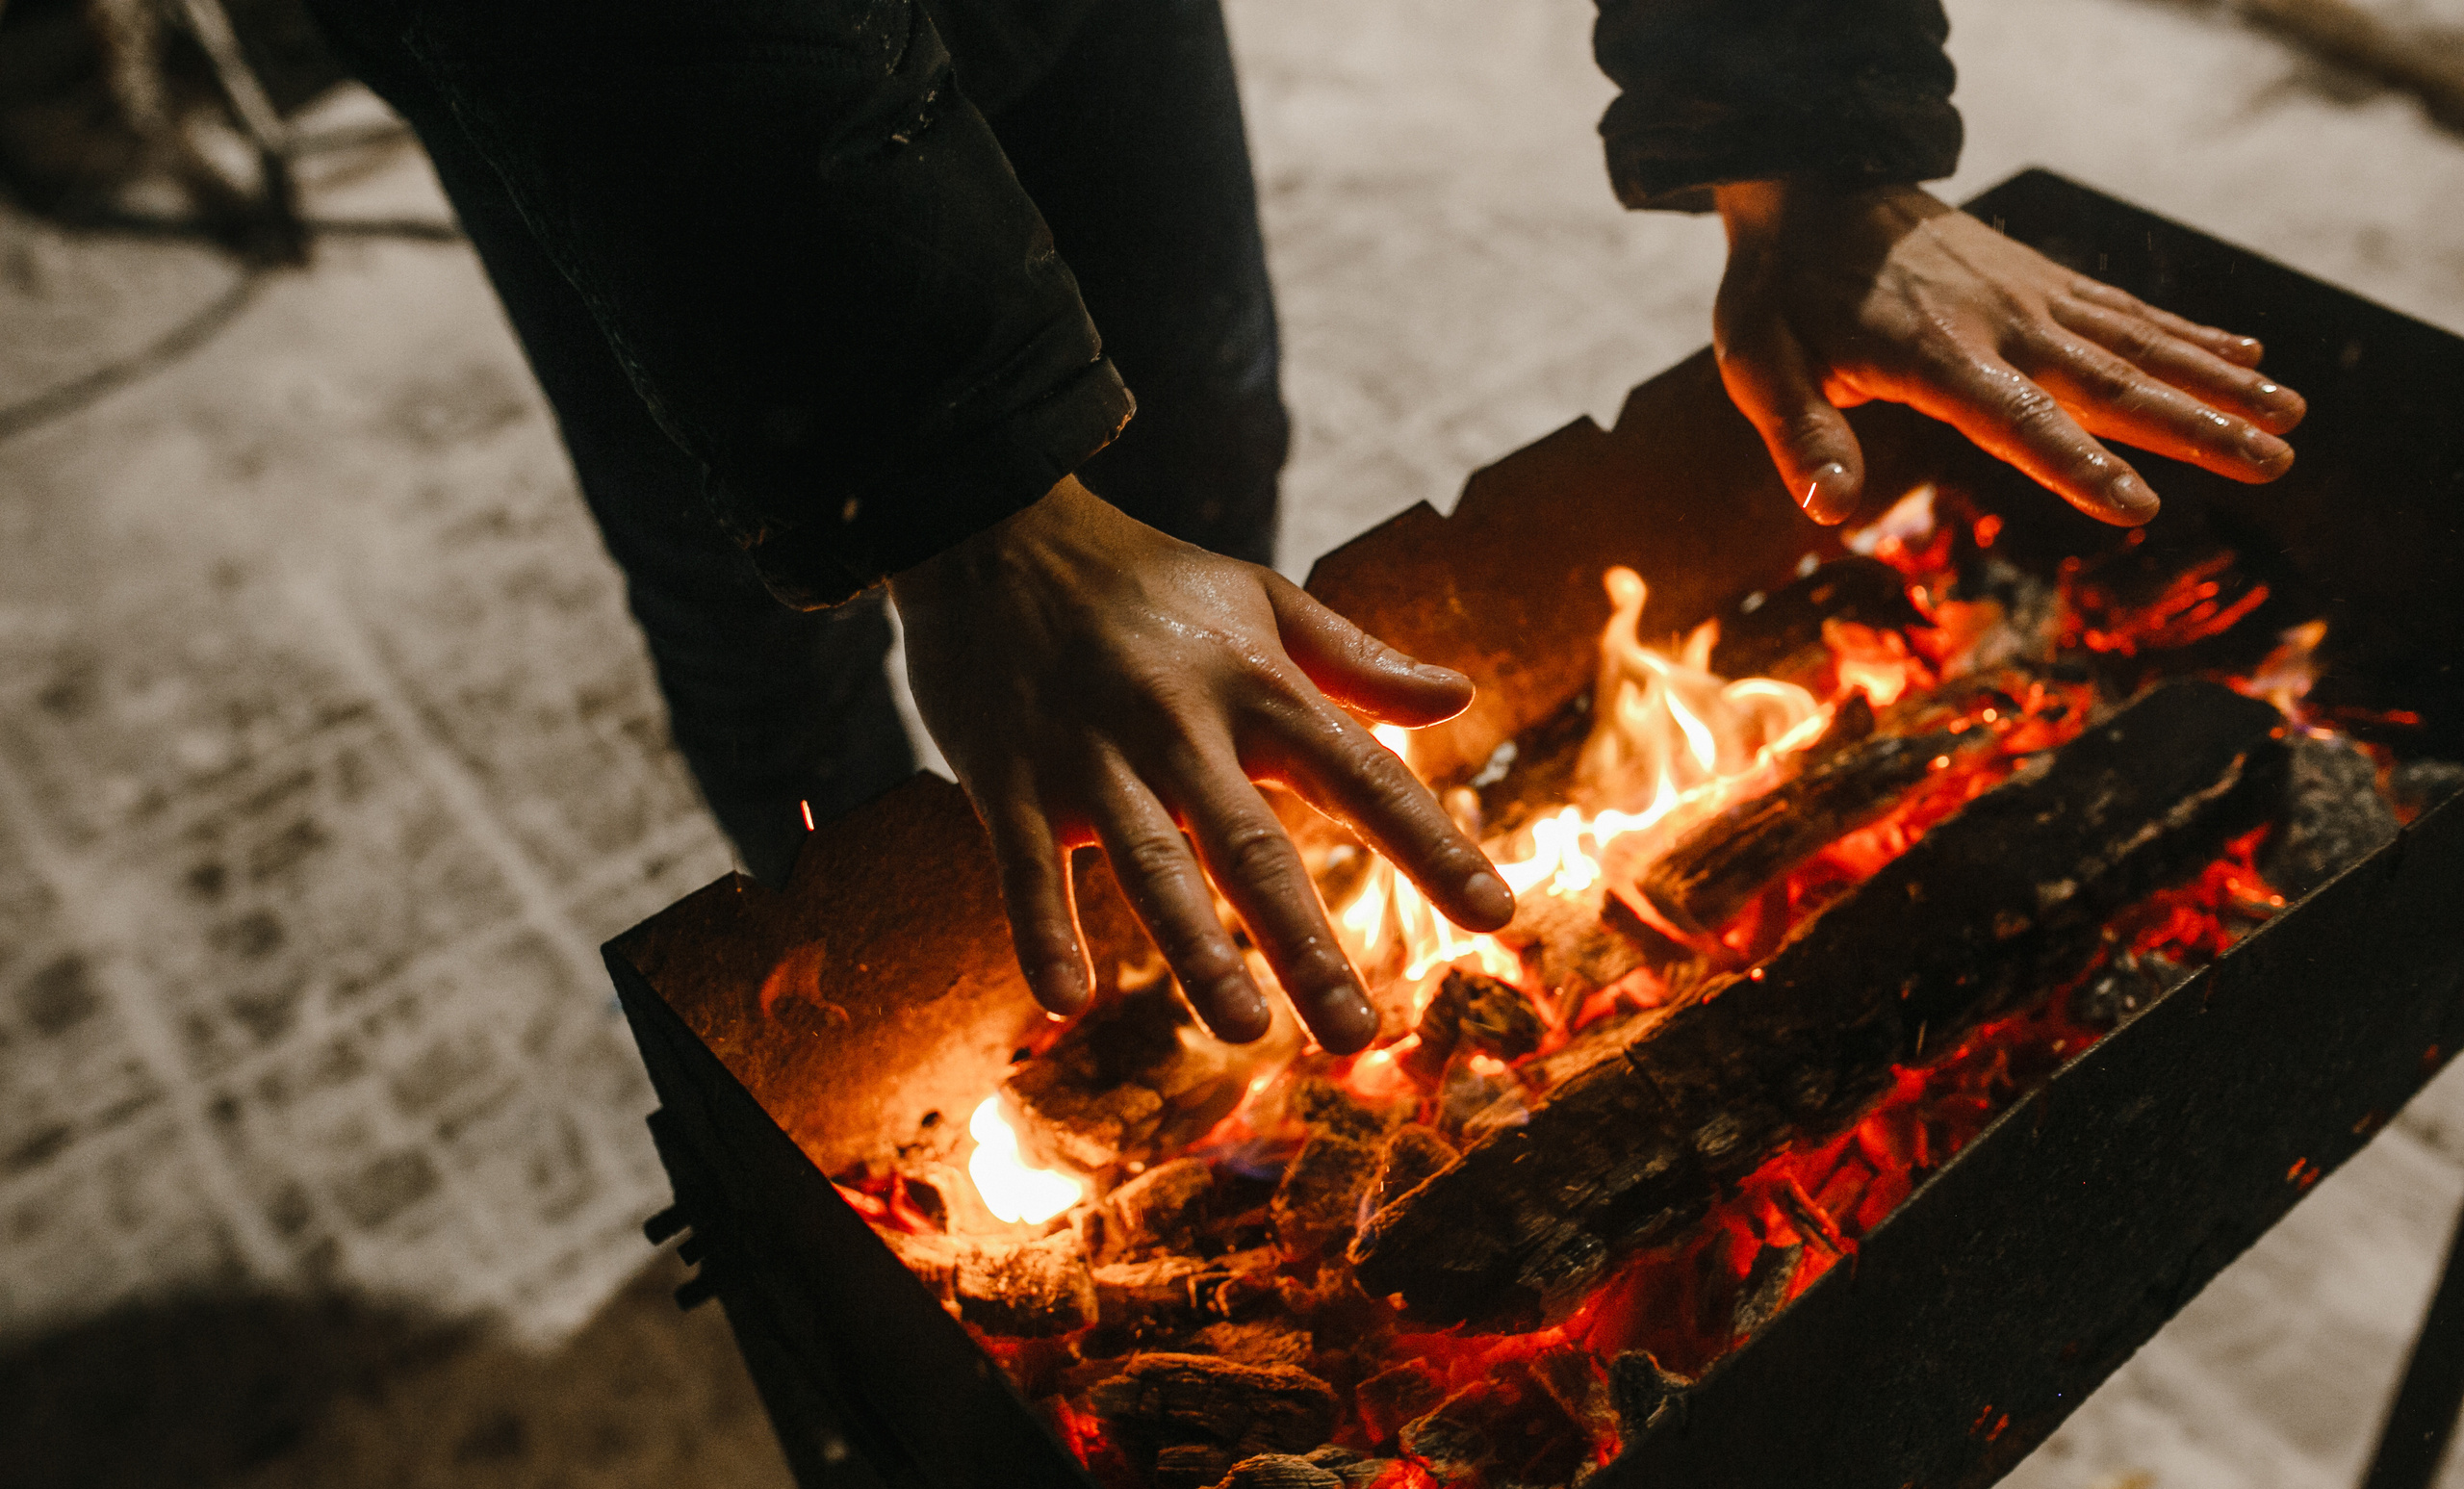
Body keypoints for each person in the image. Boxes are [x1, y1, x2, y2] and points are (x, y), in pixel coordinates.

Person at [308, 0, 2304, 1058]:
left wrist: (1808, 138)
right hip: (620, 47)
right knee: (775, 545)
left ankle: (1172, 905)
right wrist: (947, 493)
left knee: (1192, 431)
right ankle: (894, 983)